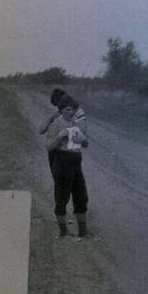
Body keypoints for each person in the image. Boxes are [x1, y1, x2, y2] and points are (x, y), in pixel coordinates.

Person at [45, 95, 90, 239]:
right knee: (62, 197)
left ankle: (83, 231)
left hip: (76, 162)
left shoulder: (75, 124)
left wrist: (83, 140)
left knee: (81, 196)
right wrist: (59, 137)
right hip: (62, 161)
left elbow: (85, 143)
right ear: (61, 109)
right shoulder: (56, 124)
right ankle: (63, 232)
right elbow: (49, 147)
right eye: (69, 109)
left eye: (74, 109)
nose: (72, 112)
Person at [39, 87, 86, 173]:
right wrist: (51, 117)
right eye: (58, 106)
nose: (59, 108)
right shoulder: (58, 111)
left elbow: (82, 131)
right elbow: (40, 130)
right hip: (55, 152)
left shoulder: (78, 112)